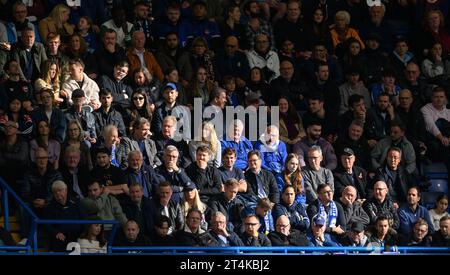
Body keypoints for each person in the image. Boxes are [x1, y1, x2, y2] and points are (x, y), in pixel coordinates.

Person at [43, 180, 85, 252]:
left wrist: (83, 234)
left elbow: (84, 218)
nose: (57, 193)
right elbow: (47, 224)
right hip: (60, 239)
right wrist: (56, 233)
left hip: (77, 237)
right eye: (55, 192)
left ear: (66, 190)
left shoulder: (76, 203)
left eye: (59, 190)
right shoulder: (49, 207)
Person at [421, 86, 450, 173]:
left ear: (445, 98)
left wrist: (448, 139)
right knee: (440, 122)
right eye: (436, 97)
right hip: (433, 139)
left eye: (441, 97)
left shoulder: (448, 111)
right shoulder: (425, 109)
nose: (439, 99)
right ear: (432, 98)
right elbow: (430, 126)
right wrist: (442, 138)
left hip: (447, 139)